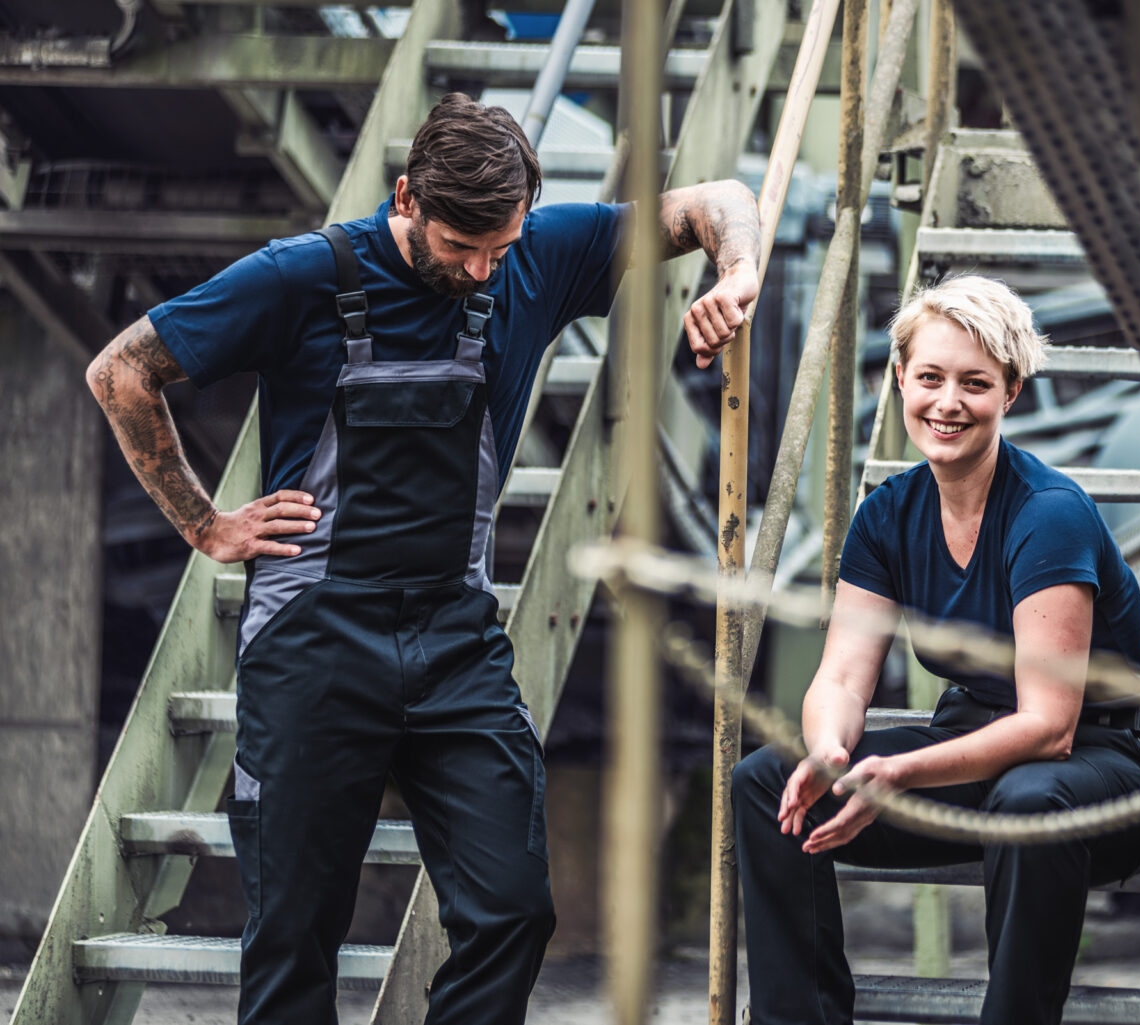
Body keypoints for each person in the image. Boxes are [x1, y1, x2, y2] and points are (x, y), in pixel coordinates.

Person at [86, 92, 761, 1025]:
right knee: (292, 937)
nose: (486, 270)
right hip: (313, 639)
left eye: (503, 247)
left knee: (513, 908)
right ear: (407, 198)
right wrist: (207, 525)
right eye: (462, 250)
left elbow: (720, 199)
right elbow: (121, 369)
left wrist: (736, 272)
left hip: (454, 638)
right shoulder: (299, 278)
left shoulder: (538, 257)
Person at [732, 275, 1140, 1025]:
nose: (947, 402)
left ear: (1013, 392)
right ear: (899, 378)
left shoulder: (1050, 514)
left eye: (975, 383)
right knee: (765, 779)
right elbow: (841, 673)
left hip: (1109, 771)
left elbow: (1049, 726)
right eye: (929, 377)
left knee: (1028, 796)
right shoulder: (886, 514)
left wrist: (896, 772)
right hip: (973, 750)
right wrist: (832, 754)